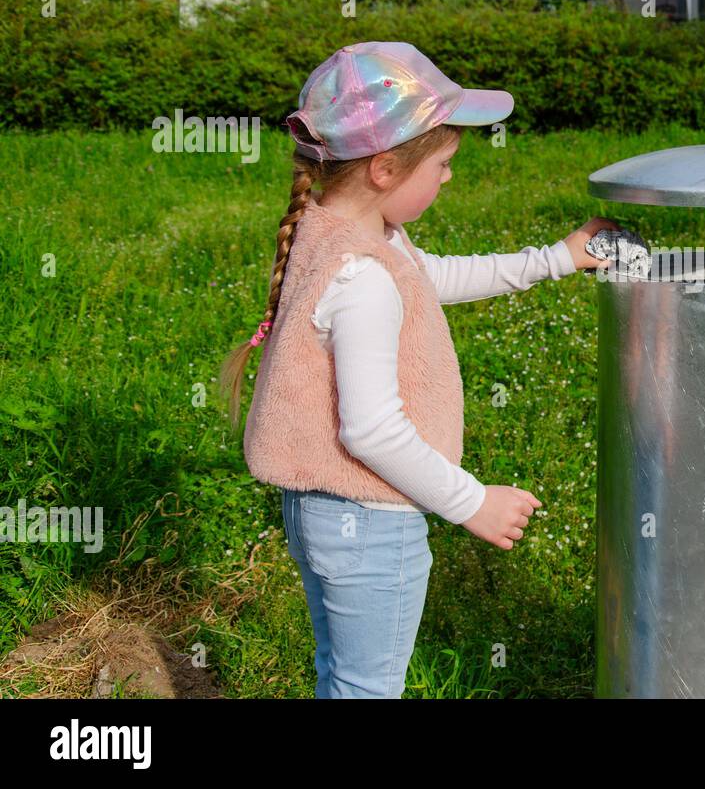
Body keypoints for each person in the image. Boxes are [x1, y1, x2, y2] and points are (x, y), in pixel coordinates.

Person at [220, 41, 617, 698]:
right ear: (384, 168)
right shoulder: (363, 276)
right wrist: (473, 503)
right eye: (442, 163)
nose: (449, 177)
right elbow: (371, 430)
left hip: (316, 512)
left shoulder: (340, 230)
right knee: (367, 690)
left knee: (343, 679)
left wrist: (555, 256)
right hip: (369, 522)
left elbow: (428, 277)